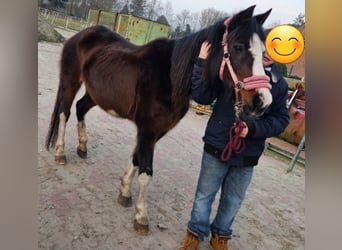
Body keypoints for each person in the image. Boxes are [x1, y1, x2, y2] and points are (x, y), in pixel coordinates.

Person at [178, 40, 290, 250]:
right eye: (264, 47)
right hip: (217, 145)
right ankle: (194, 233)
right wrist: (202, 63)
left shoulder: (279, 84)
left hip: (248, 154)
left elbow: (281, 120)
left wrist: (253, 130)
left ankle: (220, 236)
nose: (267, 53)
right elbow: (202, 96)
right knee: (204, 195)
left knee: (233, 200)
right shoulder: (233, 70)